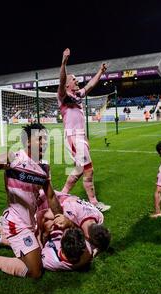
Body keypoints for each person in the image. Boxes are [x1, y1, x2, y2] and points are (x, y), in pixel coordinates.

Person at [0, 123, 64, 279]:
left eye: (45, 139)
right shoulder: (14, 158)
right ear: (27, 142)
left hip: (30, 221)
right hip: (15, 222)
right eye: (39, 139)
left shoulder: (44, 167)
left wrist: (61, 216)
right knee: (36, 271)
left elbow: (51, 196)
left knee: (39, 248)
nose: (44, 143)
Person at [57, 48, 110, 212]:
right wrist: (64, 62)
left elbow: (90, 85)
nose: (76, 81)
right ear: (67, 84)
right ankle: (94, 203)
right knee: (89, 169)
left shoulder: (78, 95)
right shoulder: (62, 95)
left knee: (80, 169)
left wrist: (100, 72)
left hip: (80, 137)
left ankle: (62, 194)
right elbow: (61, 80)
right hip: (73, 137)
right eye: (73, 79)